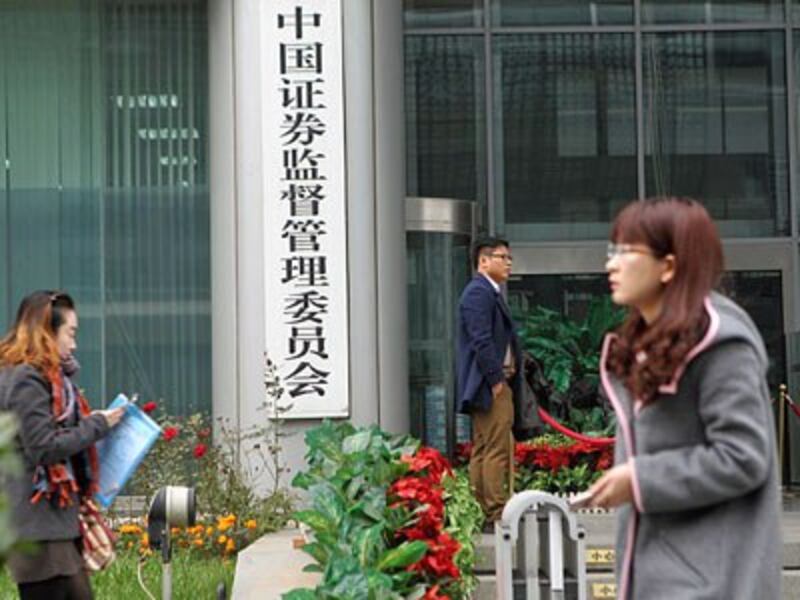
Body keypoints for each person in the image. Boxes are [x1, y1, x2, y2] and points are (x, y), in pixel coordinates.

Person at [587, 198, 781, 599]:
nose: (611, 264)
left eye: (626, 252)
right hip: (659, 575)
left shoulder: (720, 342)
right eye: (612, 250)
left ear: (669, 266)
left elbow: (743, 456)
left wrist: (640, 479)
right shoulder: (647, 341)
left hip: (710, 583)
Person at [0, 291, 124, 600]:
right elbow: (43, 447)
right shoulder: (27, 379)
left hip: (51, 525)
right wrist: (97, 425)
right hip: (38, 528)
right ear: (47, 331)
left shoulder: (48, 380)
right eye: (70, 332)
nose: (74, 343)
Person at [456, 237, 522, 526]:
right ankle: (496, 512)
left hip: (490, 382)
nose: (508, 262)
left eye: (509, 257)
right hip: (489, 384)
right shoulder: (479, 293)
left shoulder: (488, 293)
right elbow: (480, 339)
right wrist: (496, 380)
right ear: (483, 261)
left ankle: (483, 509)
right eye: (502, 257)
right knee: (495, 448)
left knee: (485, 448)